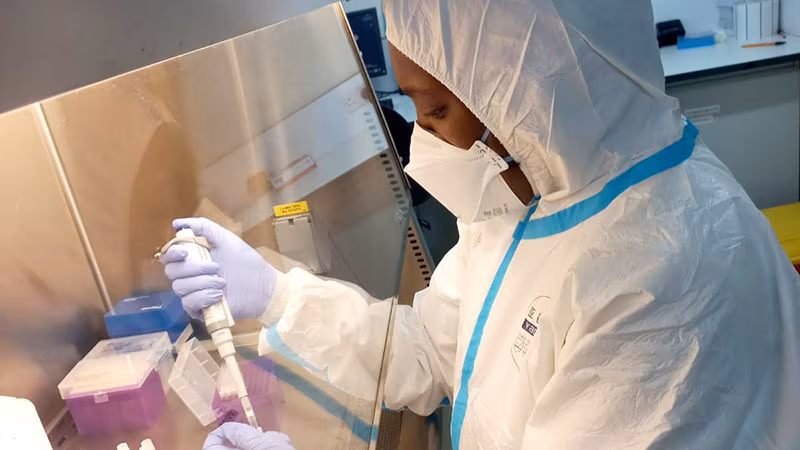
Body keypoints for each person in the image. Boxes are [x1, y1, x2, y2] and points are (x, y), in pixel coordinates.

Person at [162, 0, 800, 448]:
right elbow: (435, 352)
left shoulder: (666, 279)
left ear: (532, 94)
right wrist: (279, 296)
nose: (425, 143)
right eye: (414, 107)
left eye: (438, 109)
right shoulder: (524, 202)